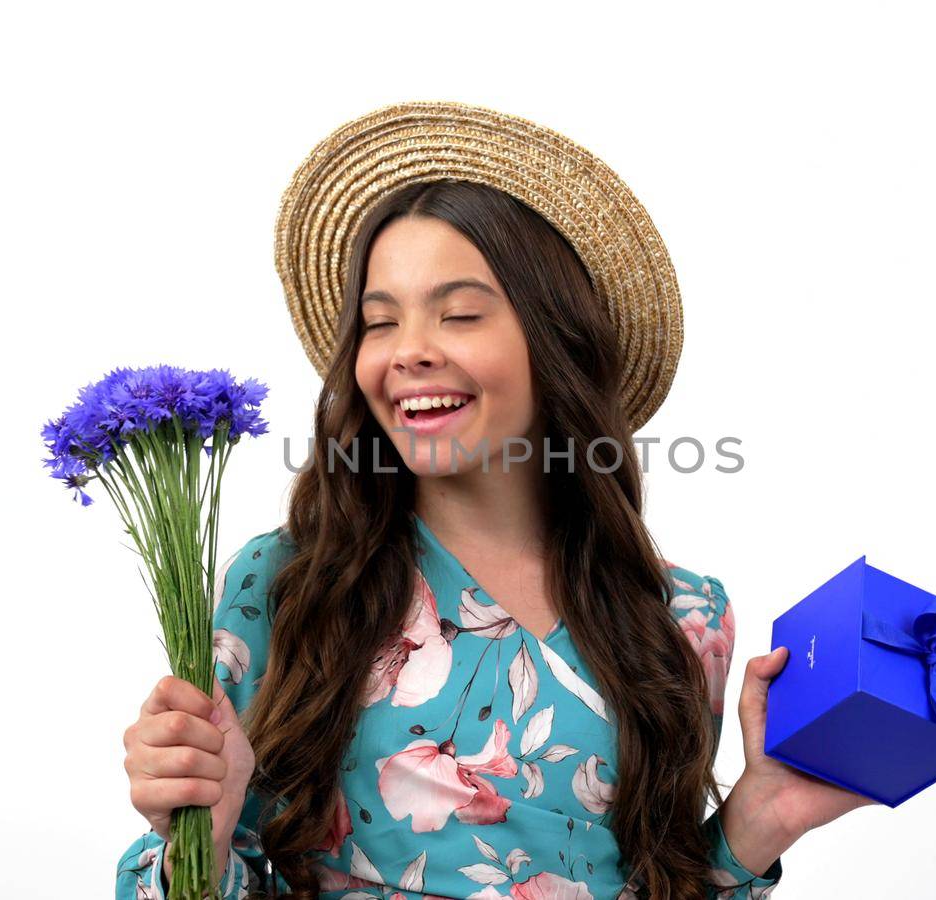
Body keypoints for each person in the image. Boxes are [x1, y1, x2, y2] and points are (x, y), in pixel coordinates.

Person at [116, 102, 873, 900]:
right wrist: (201, 818)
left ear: (557, 345)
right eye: (379, 323)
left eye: (461, 314)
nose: (409, 351)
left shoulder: (683, 618)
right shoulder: (290, 584)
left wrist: (759, 820)